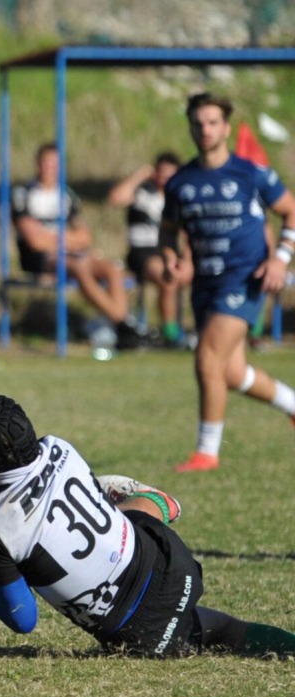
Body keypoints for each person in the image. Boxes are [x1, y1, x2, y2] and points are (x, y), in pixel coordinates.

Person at [0, 394, 295, 658]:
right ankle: (154, 501)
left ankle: (144, 503)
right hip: (175, 566)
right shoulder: (59, 447)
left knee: (197, 629)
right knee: (225, 629)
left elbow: (22, 619)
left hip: (138, 630)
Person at [159, 93, 295, 473]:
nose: (206, 130)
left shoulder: (250, 173)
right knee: (231, 373)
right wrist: (171, 259)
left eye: (213, 122)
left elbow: (290, 210)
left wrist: (280, 259)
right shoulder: (180, 182)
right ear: (190, 127)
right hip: (206, 284)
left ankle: (207, 452)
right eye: (199, 123)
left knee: (207, 359)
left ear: (226, 128)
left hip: (245, 279)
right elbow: (167, 232)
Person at [12, 143, 141, 350]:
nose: (49, 168)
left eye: (54, 163)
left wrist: (49, 235)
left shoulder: (67, 195)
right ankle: (125, 324)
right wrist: (65, 238)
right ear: (37, 164)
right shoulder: (24, 194)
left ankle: (119, 325)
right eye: (45, 162)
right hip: (42, 260)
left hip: (72, 254)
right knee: (79, 267)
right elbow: (34, 242)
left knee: (112, 269)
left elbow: (85, 237)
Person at [108, 152, 191, 347]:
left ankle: (200, 330)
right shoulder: (142, 193)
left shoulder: (178, 200)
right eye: (161, 173)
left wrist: (188, 261)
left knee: (194, 275)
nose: (165, 178)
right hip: (142, 252)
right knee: (167, 276)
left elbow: (187, 234)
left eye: (170, 174)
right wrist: (139, 175)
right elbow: (115, 197)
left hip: (167, 251)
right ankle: (171, 335)